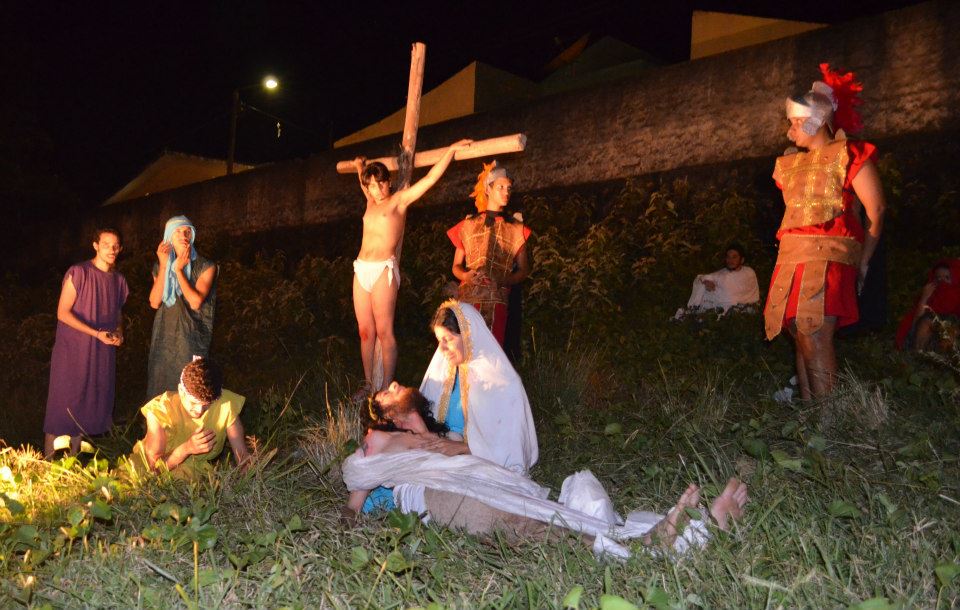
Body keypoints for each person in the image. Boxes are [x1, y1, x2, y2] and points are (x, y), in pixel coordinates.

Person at [341, 392, 749, 557]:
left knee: (543, 516)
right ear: (383, 415)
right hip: (435, 496)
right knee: (525, 526)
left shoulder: (442, 435)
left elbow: (481, 449)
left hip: (478, 480)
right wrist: (355, 532)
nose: (395, 383)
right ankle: (648, 543)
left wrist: (428, 430)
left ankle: (648, 539)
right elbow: (354, 500)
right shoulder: (376, 440)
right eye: (387, 391)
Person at [763, 64, 885, 400]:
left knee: (814, 331)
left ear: (813, 119)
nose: (790, 130)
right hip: (791, 256)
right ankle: (809, 411)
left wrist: (863, 261)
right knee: (799, 334)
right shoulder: (790, 164)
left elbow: (874, 210)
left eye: (794, 122)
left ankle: (829, 418)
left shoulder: (851, 154)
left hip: (829, 254)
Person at [360, 300, 538, 514]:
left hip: (479, 459)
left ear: (468, 335)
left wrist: (464, 448)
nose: (442, 349)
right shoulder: (442, 374)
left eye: (448, 339)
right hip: (441, 450)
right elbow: (419, 418)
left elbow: (509, 449)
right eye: (438, 341)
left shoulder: (503, 383)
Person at [351, 139, 473, 394]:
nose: (376, 189)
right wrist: (358, 166)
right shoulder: (371, 201)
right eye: (372, 186)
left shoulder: (399, 200)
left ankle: (385, 387)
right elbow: (363, 179)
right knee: (365, 332)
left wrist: (449, 151)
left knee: (385, 332)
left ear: (389, 181)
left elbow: (429, 180)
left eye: (381, 183)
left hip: (383, 270)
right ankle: (367, 384)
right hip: (361, 268)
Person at [43, 228, 129, 457]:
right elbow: (62, 313)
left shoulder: (119, 280)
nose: (111, 249)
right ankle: (47, 463)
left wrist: (119, 332)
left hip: (101, 352)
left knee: (86, 406)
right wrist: (95, 332)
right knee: (62, 407)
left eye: (115, 245)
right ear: (95, 246)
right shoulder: (79, 272)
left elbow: (117, 313)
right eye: (106, 244)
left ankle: (72, 464)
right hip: (73, 350)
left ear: (120, 249)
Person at [448, 161, 532, 345]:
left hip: (497, 300)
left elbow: (524, 270)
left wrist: (502, 280)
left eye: (509, 188)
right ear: (488, 189)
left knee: (491, 353)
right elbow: (455, 266)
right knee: (464, 351)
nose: (506, 192)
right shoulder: (469, 225)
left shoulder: (515, 227)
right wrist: (466, 276)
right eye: (500, 187)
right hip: (468, 298)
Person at [132, 357, 249, 476]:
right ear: (180, 390)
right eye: (193, 403)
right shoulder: (161, 410)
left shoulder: (225, 405)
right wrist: (187, 448)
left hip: (192, 474)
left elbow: (242, 457)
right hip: (151, 469)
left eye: (206, 405)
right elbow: (153, 470)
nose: (199, 411)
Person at [146, 216, 218, 398]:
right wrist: (164, 267)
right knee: (161, 386)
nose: (184, 235)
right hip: (164, 336)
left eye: (188, 231)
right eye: (178, 231)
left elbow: (195, 302)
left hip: (191, 335)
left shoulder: (206, 266)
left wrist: (178, 271)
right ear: (168, 235)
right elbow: (154, 302)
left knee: (191, 385)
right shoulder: (159, 266)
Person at [674, 243, 760, 319]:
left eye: (734, 257)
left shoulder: (749, 272)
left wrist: (720, 293)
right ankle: (694, 309)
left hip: (741, 306)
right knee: (702, 285)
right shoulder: (723, 272)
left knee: (723, 302)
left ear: (742, 260)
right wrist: (706, 281)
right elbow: (704, 277)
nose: (730, 260)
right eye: (728, 257)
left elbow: (734, 294)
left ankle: (698, 311)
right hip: (723, 303)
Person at [895, 259, 960, 351]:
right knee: (928, 321)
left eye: (946, 277)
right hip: (920, 341)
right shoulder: (931, 296)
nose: (942, 282)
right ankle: (919, 357)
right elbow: (915, 322)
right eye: (938, 278)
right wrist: (924, 298)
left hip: (948, 339)